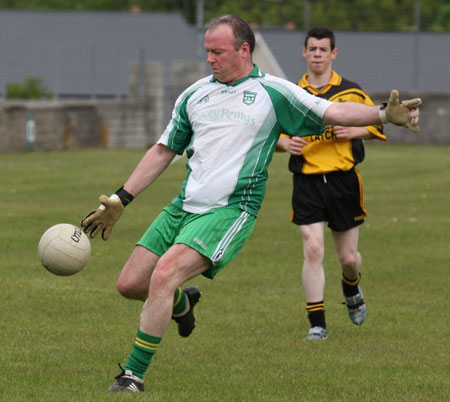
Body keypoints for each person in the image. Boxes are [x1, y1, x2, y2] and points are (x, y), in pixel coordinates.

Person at [81, 15, 421, 393]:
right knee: (130, 284)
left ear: (244, 50)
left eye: (217, 51)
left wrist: (381, 114)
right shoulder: (194, 94)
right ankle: (181, 305)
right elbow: (164, 150)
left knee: (163, 275)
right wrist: (121, 198)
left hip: (230, 210)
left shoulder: (274, 92)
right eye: (207, 50)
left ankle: (132, 375)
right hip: (184, 205)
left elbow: (331, 112)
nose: (209, 58)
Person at [276, 27, 389, 340]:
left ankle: (351, 286)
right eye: (311, 49)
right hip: (307, 181)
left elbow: (379, 120)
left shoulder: (350, 91)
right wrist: (286, 144)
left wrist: (353, 132)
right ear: (304, 52)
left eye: (322, 50)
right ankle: (317, 324)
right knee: (312, 249)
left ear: (333, 54)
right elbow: (270, 133)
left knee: (348, 259)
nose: (316, 55)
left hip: (343, 181)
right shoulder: (290, 93)